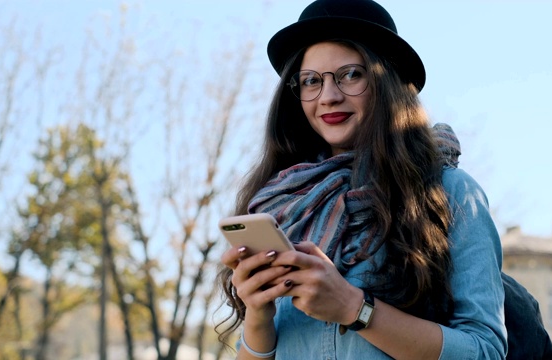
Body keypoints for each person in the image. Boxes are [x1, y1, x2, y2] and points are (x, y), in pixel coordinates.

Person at [216, 0, 507, 359]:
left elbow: (486, 351)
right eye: (311, 81)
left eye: (351, 74)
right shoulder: (279, 204)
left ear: (388, 84)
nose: (329, 96)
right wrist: (258, 317)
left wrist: (356, 309)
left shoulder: (450, 193)